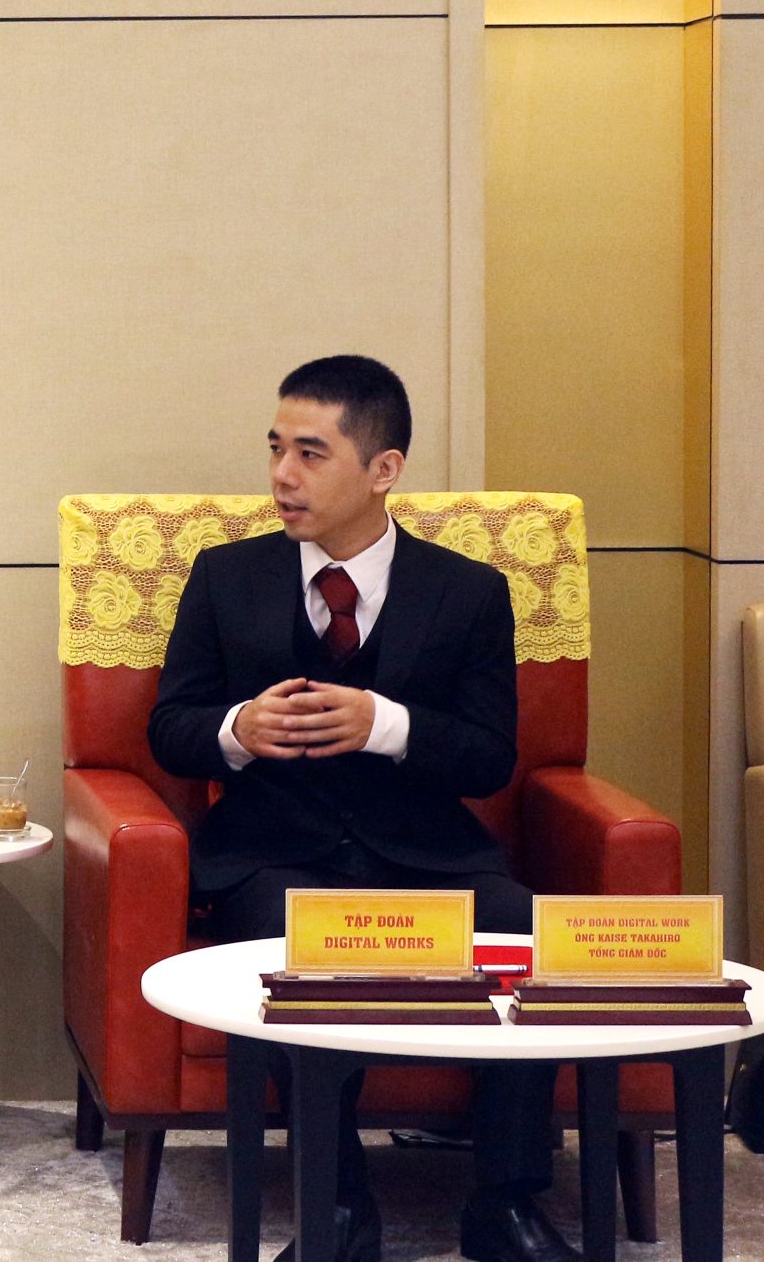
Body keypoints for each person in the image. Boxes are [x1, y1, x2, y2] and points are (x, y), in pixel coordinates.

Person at [147, 355, 575, 1262]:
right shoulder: (225, 577)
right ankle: (338, 1207)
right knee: (296, 937)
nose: (282, 475)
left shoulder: (467, 590)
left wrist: (388, 723)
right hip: (274, 852)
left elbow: (490, 756)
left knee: (519, 929)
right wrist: (237, 728)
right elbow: (170, 730)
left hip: (427, 850)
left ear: (384, 468)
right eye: (275, 448)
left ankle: (505, 1202)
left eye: (310, 453)